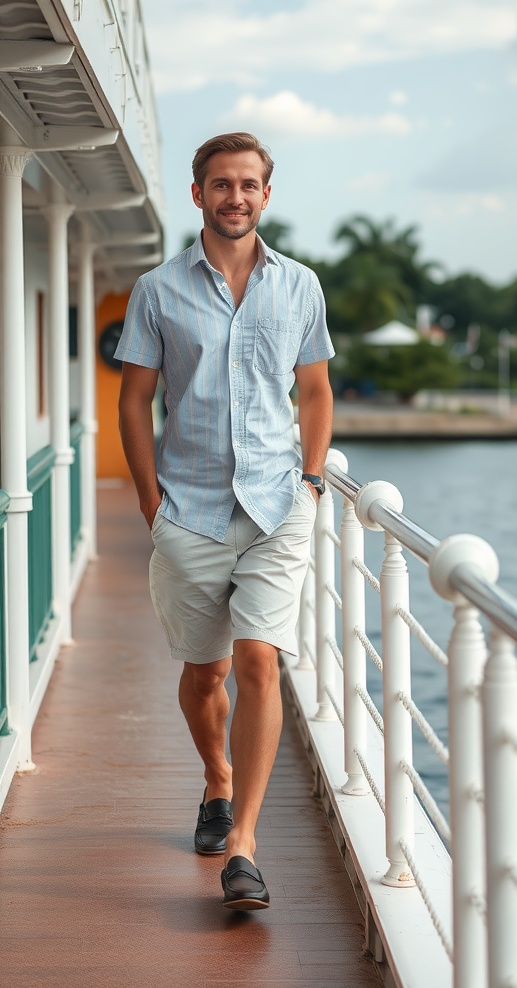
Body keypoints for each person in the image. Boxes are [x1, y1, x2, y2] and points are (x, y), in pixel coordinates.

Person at [115, 132, 334, 911]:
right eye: (219, 185)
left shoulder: (300, 286)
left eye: (248, 184)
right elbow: (133, 400)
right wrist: (150, 499)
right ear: (198, 194)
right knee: (203, 670)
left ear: (265, 195)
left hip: (277, 506)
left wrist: (310, 481)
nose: (234, 197)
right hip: (190, 511)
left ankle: (243, 843)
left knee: (257, 663)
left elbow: (313, 391)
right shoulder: (157, 290)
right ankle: (217, 780)